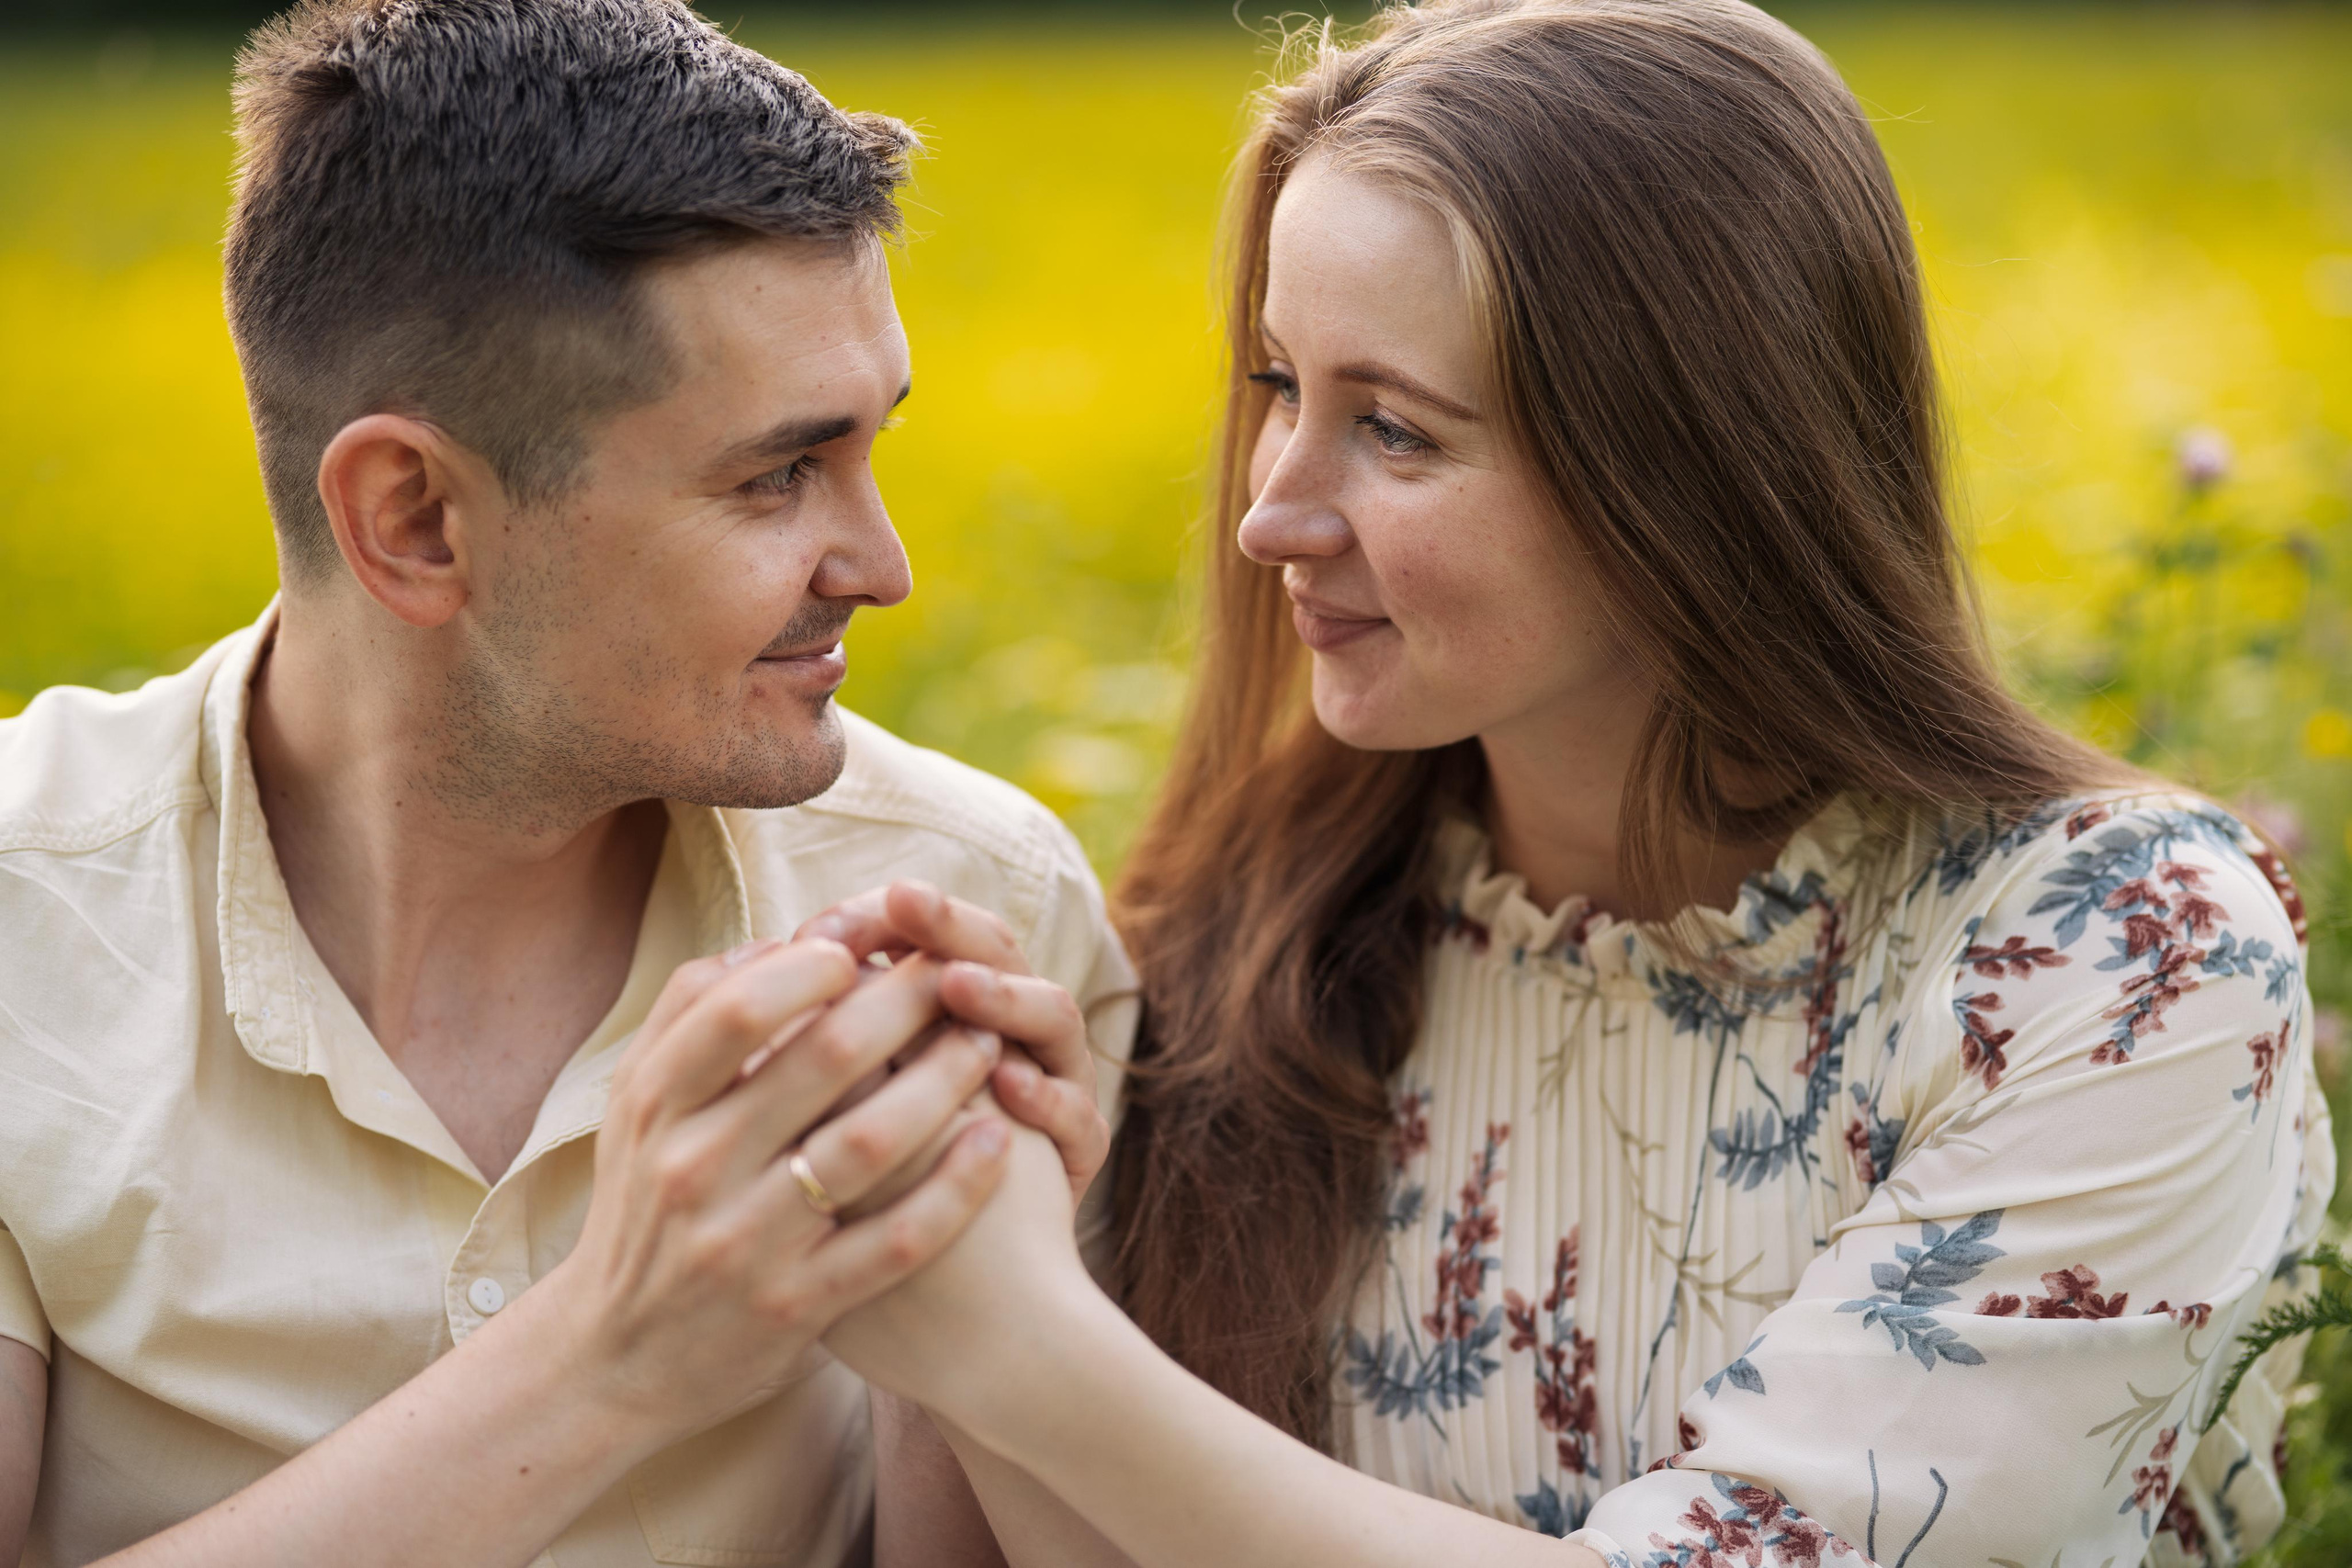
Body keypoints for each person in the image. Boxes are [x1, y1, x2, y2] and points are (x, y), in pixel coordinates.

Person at [816, 3, 2338, 1565]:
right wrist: (956, 1232)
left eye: (1394, 429)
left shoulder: (2115, 958)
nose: (1272, 513)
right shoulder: (1260, 941)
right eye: (1279, 386)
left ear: (1691, 469)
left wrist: (1019, 1347)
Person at [0, 3, 1133, 1564]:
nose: (884, 565)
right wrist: (612, 1354)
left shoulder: (985, 909)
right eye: (778, 475)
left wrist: (974, 1321)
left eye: (875, 449)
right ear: (415, 521)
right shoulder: (24, 923)